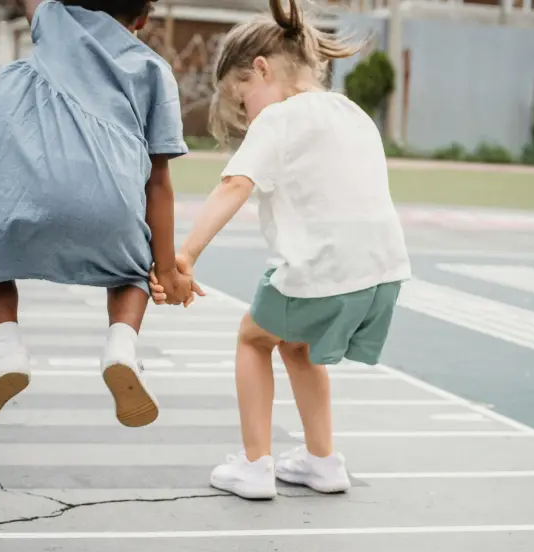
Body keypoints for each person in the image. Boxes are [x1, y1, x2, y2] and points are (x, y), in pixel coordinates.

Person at [151, 0, 411, 500]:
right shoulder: (352, 112)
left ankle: (254, 465)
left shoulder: (280, 120)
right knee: (298, 345)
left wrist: (185, 256)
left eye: (241, 98)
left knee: (253, 338)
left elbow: (234, 186)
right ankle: (322, 461)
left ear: (262, 70)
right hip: (383, 274)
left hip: (322, 271)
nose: (247, 114)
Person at [0, 0, 199, 428]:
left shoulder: (54, 19)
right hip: (107, 201)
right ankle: (121, 347)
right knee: (132, 268)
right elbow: (159, 181)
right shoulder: (154, 70)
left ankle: (7, 349)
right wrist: (167, 268)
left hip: (28, 184)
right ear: (143, 19)